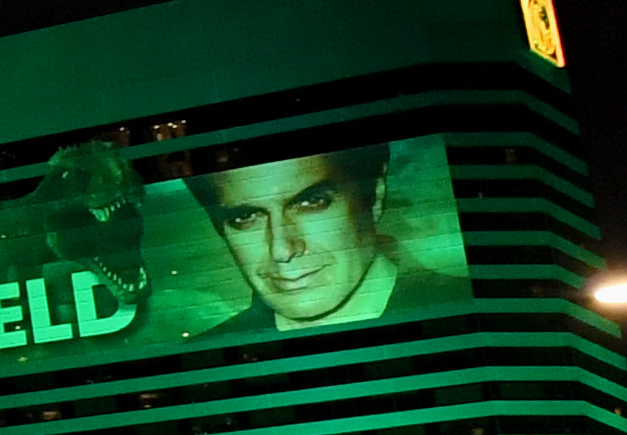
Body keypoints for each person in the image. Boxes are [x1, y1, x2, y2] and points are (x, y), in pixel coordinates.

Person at [184, 144, 463, 338]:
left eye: (311, 202)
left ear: (374, 196)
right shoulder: (199, 366)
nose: (282, 249)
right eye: (245, 217)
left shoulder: (470, 310)